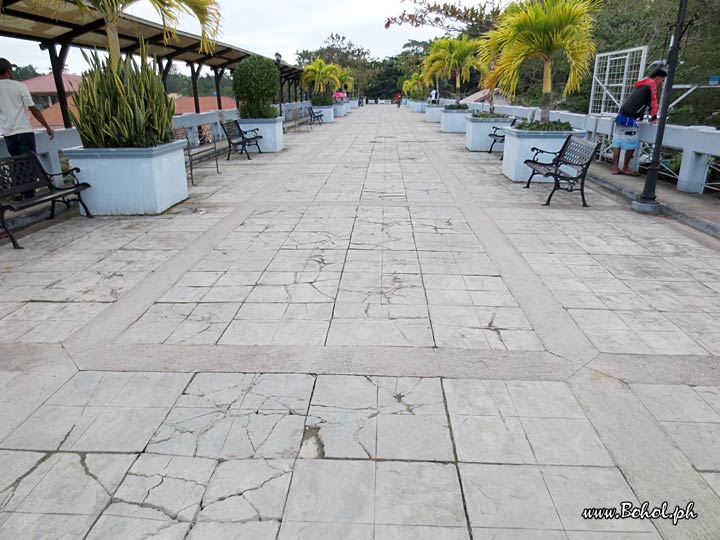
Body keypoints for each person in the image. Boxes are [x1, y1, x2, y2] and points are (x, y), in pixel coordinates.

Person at [0, 58, 55, 199]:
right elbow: (34, 109)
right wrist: (47, 127)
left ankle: (23, 191)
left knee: (17, 163)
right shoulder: (18, 86)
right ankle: (30, 194)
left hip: (8, 133)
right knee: (30, 162)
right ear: (8, 71)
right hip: (24, 131)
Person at [611, 68, 667, 176]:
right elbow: (653, 101)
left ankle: (615, 167)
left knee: (617, 143)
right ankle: (626, 168)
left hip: (621, 115)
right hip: (630, 118)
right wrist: (654, 117)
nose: (662, 83)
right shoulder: (651, 84)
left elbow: (641, 102)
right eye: (662, 80)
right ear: (657, 77)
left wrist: (641, 117)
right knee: (631, 143)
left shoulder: (642, 83)